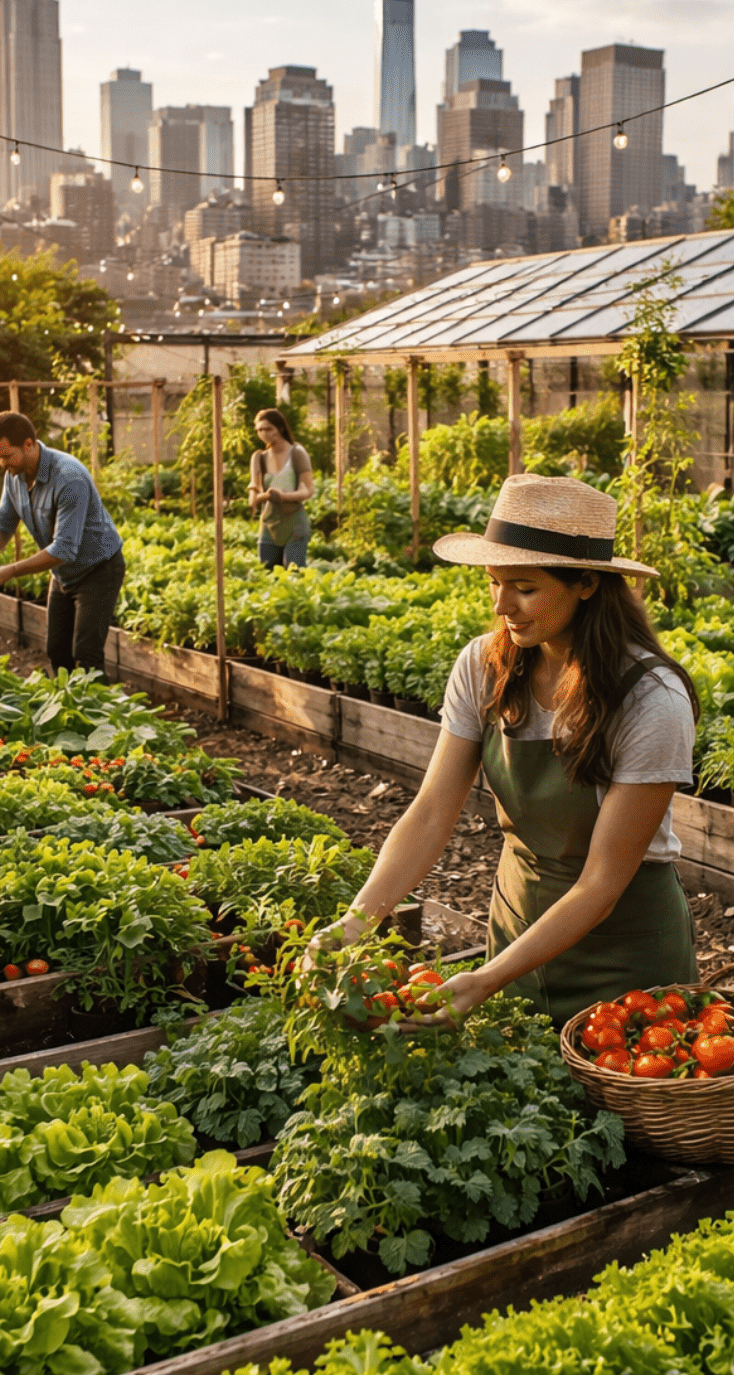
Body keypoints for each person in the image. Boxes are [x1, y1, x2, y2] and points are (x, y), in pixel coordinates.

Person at [310, 473, 700, 1029]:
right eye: (493, 582)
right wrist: (356, 922)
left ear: (586, 582)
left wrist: (486, 980)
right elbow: (431, 812)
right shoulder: (485, 666)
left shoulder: (650, 698)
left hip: (622, 957)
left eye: (524, 587)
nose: (501, 605)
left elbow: (602, 883)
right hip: (515, 927)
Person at [0, 409, 126, 676]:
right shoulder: (14, 477)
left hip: (98, 570)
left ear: (29, 445)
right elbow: (2, 525)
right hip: (63, 574)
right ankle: (66, 710)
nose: (0, 463)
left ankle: (97, 715)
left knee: (86, 654)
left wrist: (10, 571)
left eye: (5, 455)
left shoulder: (68, 477)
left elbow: (64, 549)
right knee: (57, 649)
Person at [248, 405, 315, 569]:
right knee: (267, 572)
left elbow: (308, 490)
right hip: (269, 525)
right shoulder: (259, 458)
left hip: (294, 524)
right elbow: (254, 494)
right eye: (259, 430)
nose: (264, 434)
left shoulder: (297, 453)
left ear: (280, 428)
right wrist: (262, 497)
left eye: (268, 429)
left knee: (293, 571)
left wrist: (283, 496)